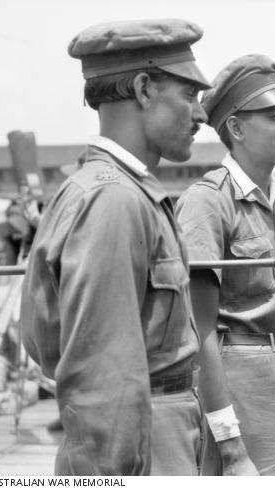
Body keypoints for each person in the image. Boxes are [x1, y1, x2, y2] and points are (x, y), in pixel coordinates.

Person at [20, 19, 255, 475]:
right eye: (189, 96)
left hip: (160, 428)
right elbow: (104, 381)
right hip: (140, 443)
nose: (202, 115)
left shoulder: (117, 192)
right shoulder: (114, 201)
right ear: (145, 89)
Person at [175, 54, 275, 476]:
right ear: (235, 128)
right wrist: (230, 444)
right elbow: (200, 336)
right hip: (242, 378)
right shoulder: (208, 202)